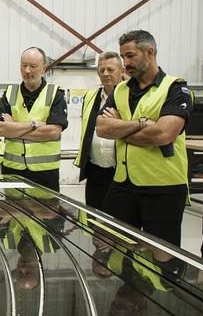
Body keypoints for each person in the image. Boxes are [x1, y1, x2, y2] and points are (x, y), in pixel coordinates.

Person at [96, 30, 193, 265]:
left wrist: (120, 130)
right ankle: (126, 298)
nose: (125, 63)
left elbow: (163, 134)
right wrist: (140, 124)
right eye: (123, 57)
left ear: (149, 52)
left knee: (161, 258)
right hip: (123, 184)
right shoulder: (120, 90)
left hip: (163, 188)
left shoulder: (175, 89)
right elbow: (101, 128)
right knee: (113, 246)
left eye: (130, 56)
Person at [0, 47, 68, 191]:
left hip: (45, 172)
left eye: (33, 66)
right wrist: (35, 124)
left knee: (46, 212)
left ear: (44, 68)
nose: (27, 70)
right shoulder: (10, 93)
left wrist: (14, 128)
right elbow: (1, 129)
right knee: (13, 212)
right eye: (24, 65)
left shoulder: (55, 94)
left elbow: (53, 132)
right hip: (13, 170)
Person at [74, 52, 125, 209]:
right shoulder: (90, 96)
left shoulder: (130, 96)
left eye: (110, 69)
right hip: (95, 171)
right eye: (101, 70)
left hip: (121, 172)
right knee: (93, 220)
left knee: (119, 223)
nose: (105, 74)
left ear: (122, 71)